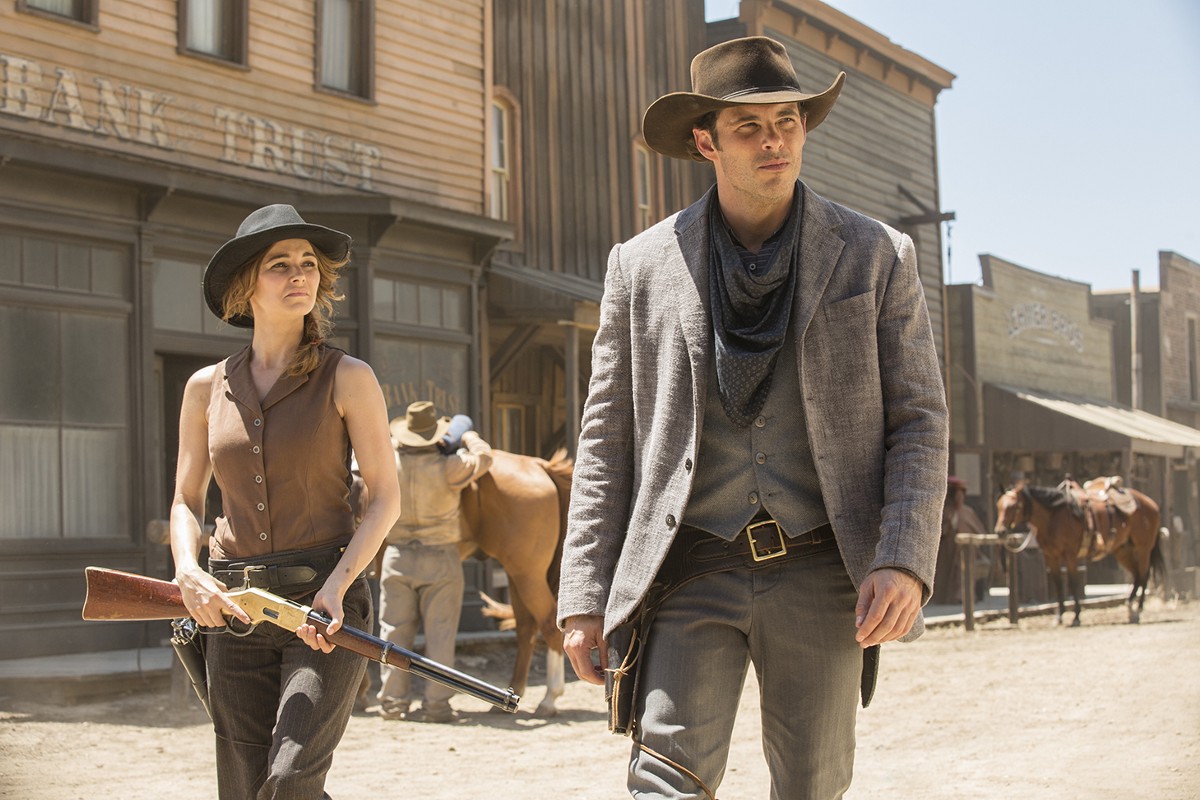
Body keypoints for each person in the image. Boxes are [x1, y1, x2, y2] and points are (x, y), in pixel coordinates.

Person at [557, 36, 949, 799]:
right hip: (689, 565)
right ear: (706, 141)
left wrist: (903, 558)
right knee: (663, 782)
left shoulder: (877, 254)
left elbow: (919, 421)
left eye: (787, 122)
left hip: (821, 568)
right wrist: (583, 596)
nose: (774, 141)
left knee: (812, 786)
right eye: (749, 127)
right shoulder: (640, 265)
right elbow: (606, 441)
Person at [170, 204, 401, 798]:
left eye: (308, 264)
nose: (299, 274)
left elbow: (385, 498)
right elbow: (186, 500)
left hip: (323, 604)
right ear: (246, 285)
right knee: (243, 785)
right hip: (232, 607)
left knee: (291, 778)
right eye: (280, 264)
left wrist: (339, 587)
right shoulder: (204, 387)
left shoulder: (348, 376)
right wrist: (189, 571)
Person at [375, 401, 493, 723]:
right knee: (440, 636)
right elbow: (485, 458)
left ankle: (393, 703)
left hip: (398, 555)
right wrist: (467, 436)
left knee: (393, 633)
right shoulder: (451, 466)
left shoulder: (389, 461)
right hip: (440, 557)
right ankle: (437, 705)